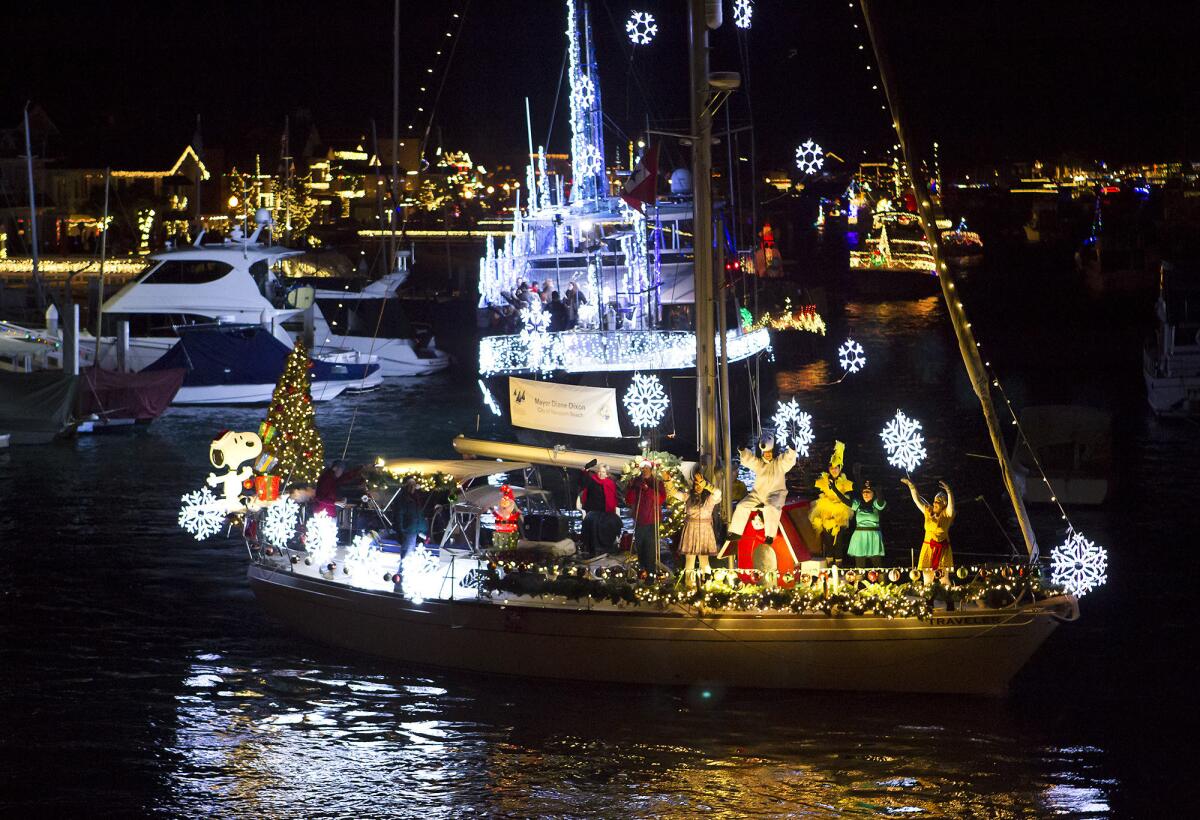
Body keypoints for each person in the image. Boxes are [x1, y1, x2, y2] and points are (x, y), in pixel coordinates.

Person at [722, 436, 798, 552]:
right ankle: (736, 532)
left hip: (776, 494)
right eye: (765, 452)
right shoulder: (760, 464)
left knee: (770, 507)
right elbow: (750, 460)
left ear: (773, 451)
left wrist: (792, 449)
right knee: (741, 506)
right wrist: (742, 449)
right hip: (758, 494)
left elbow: (789, 460)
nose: (767, 454)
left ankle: (769, 536)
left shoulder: (779, 463)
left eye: (769, 452)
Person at [809, 441, 854, 561]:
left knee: (839, 539)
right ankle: (829, 561)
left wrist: (858, 474)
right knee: (828, 538)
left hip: (840, 511)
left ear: (840, 468)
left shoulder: (844, 482)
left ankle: (839, 562)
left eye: (836, 468)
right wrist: (807, 472)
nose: (834, 470)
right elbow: (810, 484)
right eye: (832, 468)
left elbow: (855, 487)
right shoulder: (824, 481)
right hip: (826, 510)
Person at [678, 468, 722, 587]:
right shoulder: (688, 497)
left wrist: (706, 484)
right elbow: (674, 494)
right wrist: (667, 480)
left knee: (704, 560)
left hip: (704, 531)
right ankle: (689, 585)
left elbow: (718, 493)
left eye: (700, 484)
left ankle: (706, 584)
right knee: (690, 559)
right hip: (691, 530)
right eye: (696, 484)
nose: (698, 486)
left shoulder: (709, 499)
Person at [901, 478, 955, 569]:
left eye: (937, 501)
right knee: (927, 580)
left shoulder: (947, 515)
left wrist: (949, 491)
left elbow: (951, 506)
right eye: (934, 501)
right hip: (927, 548)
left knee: (943, 580)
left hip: (942, 550)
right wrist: (912, 487)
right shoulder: (928, 512)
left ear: (944, 504)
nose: (934, 503)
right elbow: (917, 500)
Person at [624, 459, 667, 573]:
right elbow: (629, 500)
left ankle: (651, 571)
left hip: (652, 520)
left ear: (651, 469)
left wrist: (647, 490)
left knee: (651, 547)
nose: (645, 470)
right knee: (640, 545)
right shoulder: (635, 482)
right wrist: (633, 487)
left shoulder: (657, 483)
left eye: (647, 468)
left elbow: (661, 499)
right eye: (643, 468)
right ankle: (642, 569)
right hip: (639, 520)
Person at [831, 480, 886, 568]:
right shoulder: (858, 504)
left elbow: (881, 501)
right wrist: (834, 489)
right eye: (864, 492)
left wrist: (878, 490)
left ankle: (881, 580)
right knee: (860, 564)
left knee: (877, 564)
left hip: (873, 536)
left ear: (873, 493)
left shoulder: (876, 504)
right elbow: (844, 500)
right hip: (859, 537)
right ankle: (859, 580)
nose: (865, 494)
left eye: (868, 492)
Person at [578, 459, 620, 558]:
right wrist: (585, 470)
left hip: (607, 511)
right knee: (592, 522)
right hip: (594, 510)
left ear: (607, 474)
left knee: (613, 523)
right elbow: (583, 482)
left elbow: (614, 498)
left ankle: (608, 547)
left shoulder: (610, 483)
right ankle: (592, 549)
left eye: (603, 472)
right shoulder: (592, 480)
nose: (601, 474)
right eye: (600, 471)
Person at [394, 477, 426, 558]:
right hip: (408, 530)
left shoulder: (415, 497)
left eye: (413, 485)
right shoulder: (403, 498)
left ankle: (405, 569)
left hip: (413, 529)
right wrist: (400, 530)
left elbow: (418, 513)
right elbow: (399, 515)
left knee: (409, 551)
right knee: (407, 552)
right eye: (410, 486)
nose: (412, 487)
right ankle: (403, 570)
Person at [491, 484, 522, 551]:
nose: (504, 506)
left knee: (509, 544)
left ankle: (509, 551)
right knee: (501, 544)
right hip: (500, 532)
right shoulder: (500, 515)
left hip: (510, 532)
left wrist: (518, 513)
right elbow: (496, 514)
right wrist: (493, 511)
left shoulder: (510, 516)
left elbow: (515, 516)